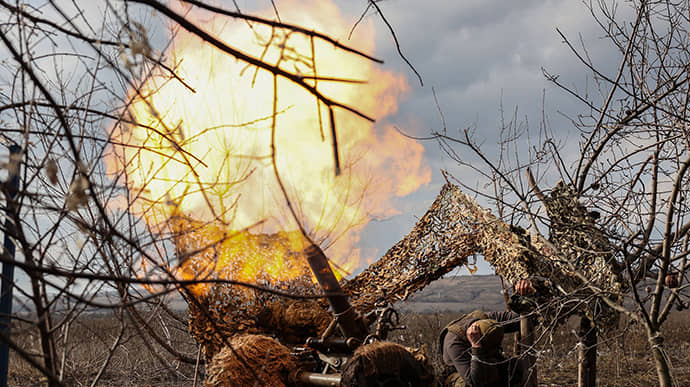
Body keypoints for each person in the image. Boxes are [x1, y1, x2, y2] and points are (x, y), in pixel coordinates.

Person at [440, 280, 534, 387]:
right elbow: (474, 382)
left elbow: (519, 319)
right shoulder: (454, 342)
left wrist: (524, 296)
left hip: (487, 362)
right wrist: (476, 347)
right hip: (462, 372)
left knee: (516, 368)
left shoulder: (487, 320)